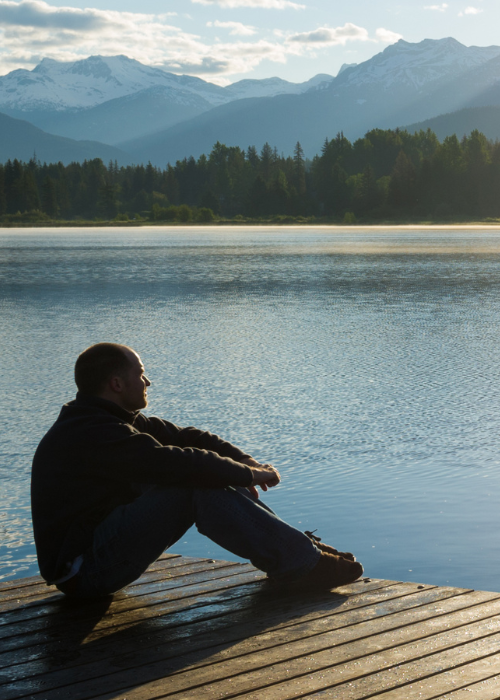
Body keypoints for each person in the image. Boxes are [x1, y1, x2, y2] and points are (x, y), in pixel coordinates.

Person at [31, 343, 363, 598]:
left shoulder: (110, 420)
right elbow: (179, 463)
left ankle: (295, 557)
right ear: (117, 383)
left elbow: (188, 438)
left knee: (207, 474)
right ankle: (301, 563)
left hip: (98, 556)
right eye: (141, 373)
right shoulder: (93, 432)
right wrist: (249, 476)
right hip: (84, 572)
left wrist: (245, 462)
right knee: (193, 484)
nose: (148, 381)